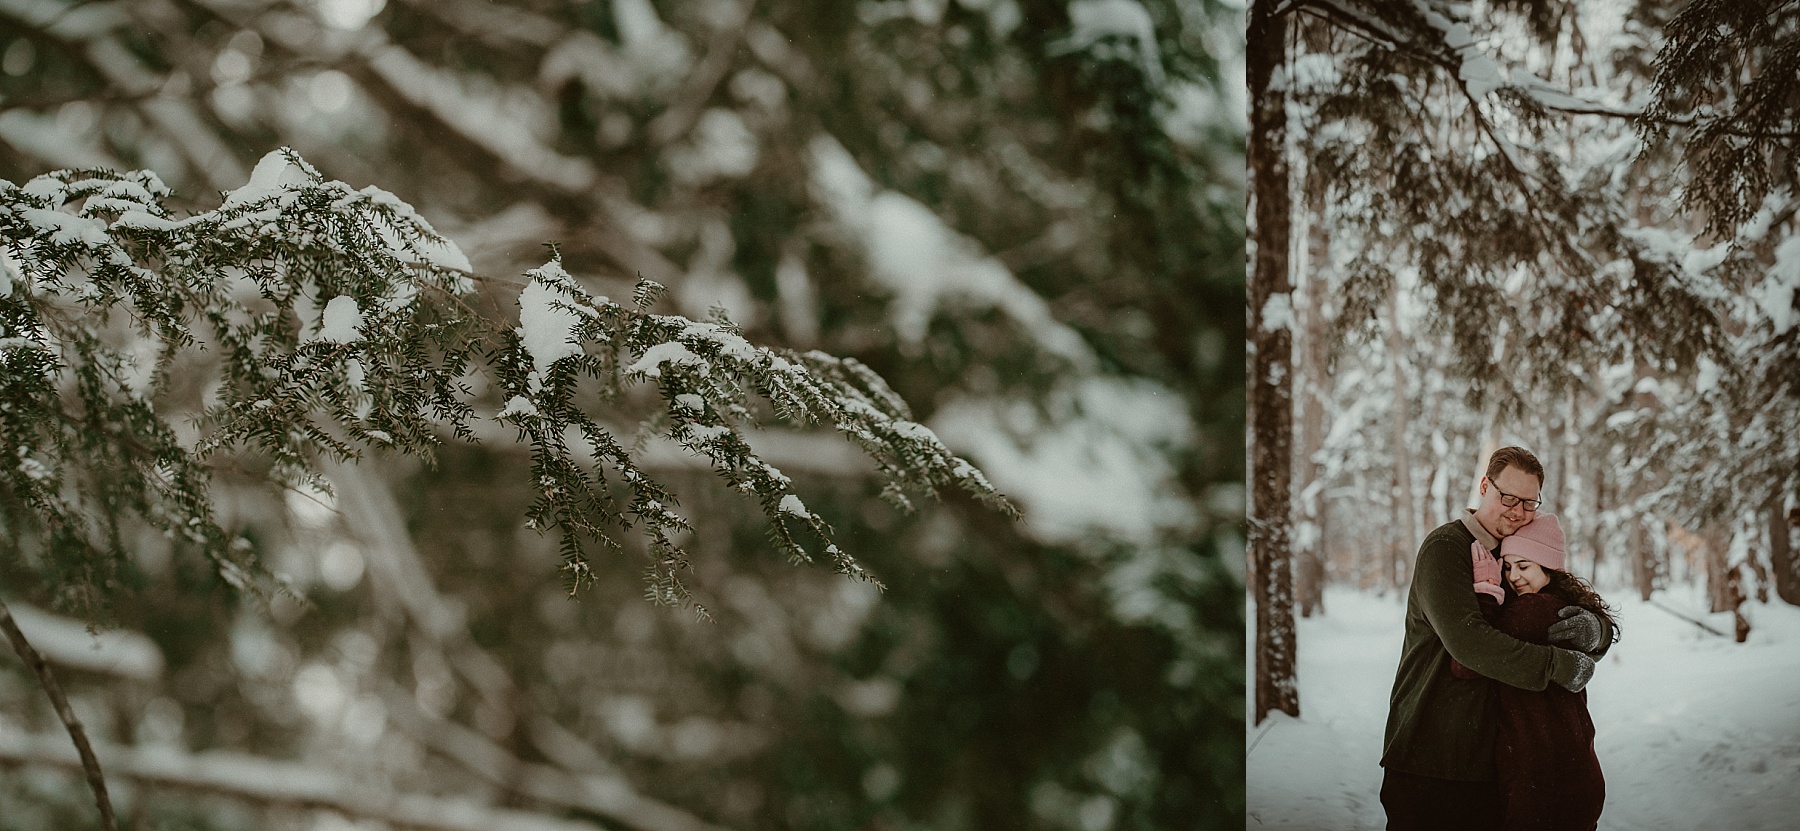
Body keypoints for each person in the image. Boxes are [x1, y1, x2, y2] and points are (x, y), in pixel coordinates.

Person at [1379, 447, 1615, 831]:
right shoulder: (1446, 549)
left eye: (1529, 502)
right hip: (1433, 753)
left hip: (1490, 762)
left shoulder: (1512, 550)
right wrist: (1558, 666)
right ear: (1485, 486)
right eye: (1508, 498)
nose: (1518, 512)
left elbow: (1546, 610)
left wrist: (1596, 632)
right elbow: (1470, 644)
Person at [1457, 513, 1613, 831]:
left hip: (1539, 778)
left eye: (1524, 566)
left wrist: (1486, 593)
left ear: (1547, 565)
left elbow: (1465, 664)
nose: (1514, 577)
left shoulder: (1530, 611)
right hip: (1574, 766)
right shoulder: (1562, 603)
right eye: (1508, 566)